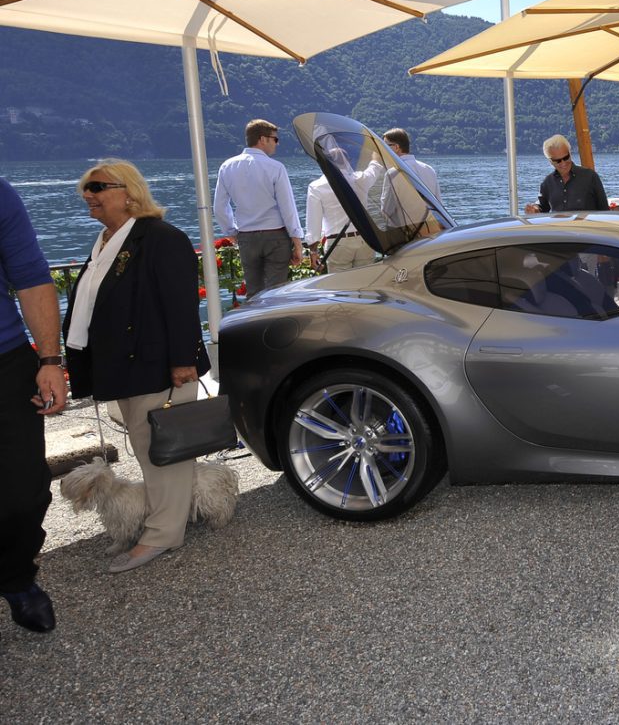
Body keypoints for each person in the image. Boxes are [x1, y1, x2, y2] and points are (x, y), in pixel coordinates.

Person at [62, 161, 212, 574]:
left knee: (161, 453)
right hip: (126, 366)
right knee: (149, 450)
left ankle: (162, 534)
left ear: (128, 191)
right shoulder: (107, 241)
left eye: (97, 187)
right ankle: (163, 520)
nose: (88, 195)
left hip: (157, 366)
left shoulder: (161, 239)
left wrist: (183, 362)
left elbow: (182, 304)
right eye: (84, 189)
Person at [0, 179, 66, 633]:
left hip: (4, 359)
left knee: (24, 492)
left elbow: (31, 276)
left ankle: (16, 576)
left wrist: (50, 360)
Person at [214, 119, 304, 297]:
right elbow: (288, 207)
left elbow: (219, 206)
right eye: (275, 139)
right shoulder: (276, 168)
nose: (276, 144)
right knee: (277, 292)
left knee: (253, 293)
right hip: (276, 236)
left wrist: (231, 232)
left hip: (247, 236)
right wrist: (297, 241)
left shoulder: (227, 167)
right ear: (263, 139)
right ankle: (275, 324)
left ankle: (256, 324)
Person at [306, 148, 384, 272]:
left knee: (341, 288)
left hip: (338, 242)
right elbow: (374, 168)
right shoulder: (360, 179)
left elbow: (314, 223)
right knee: (365, 285)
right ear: (348, 161)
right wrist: (375, 152)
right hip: (365, 239)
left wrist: (313, 251)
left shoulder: (316, 186)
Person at [525, 135, 609, 213]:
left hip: (586, 228)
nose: (563, 163)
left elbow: (604, 210)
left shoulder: (590, 177)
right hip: (560, 228)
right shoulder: (547, 182)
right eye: (557, 161)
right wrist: (535, 209)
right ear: (550, 161)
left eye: (566, 157)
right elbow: (542, 206)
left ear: (570, 153)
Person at [382, 128, 441, 200]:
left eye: (385, 145)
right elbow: (438, 201)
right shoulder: (429, 169)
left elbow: (387, 209)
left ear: (396, 147)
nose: (383, 149)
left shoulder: (393, 173)